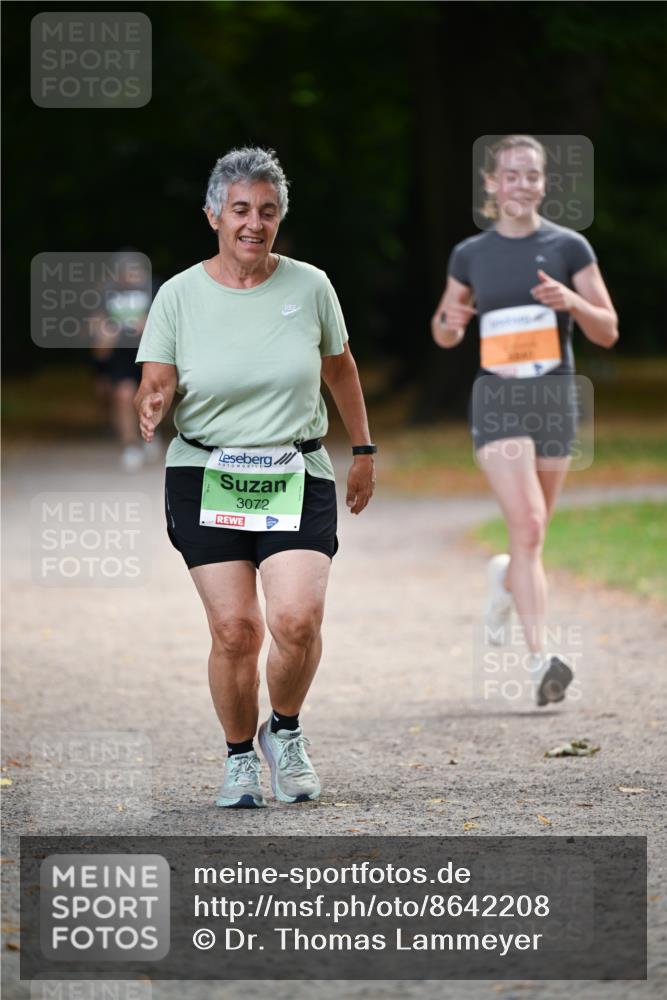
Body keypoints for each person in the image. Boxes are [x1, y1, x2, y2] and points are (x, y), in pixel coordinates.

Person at [134, 147, 376, 807]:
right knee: (236, 629)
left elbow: (341, 369)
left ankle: (286, 734)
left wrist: (363, 449)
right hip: (205, 471)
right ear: (213, 213)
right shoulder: (179, 295)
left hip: (295, 468)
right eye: (240, 209)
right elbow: (155, 378)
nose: (253, 223)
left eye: (267, 211)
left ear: (279, 219)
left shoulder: (309, 286)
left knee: (296, 618)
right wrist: (153, 400)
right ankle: (239, 757)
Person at [432, 134, 618, 707]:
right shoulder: (470, 254)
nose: (522, 184)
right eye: (510, 175)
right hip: (499, 399)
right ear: (491, 184)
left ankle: (504, 579)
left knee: (532, 536)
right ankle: (541, 660)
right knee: (531, 522)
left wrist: (572, 302)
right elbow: (444, 332)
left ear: (543, 183)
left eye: (532, 175)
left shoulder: (569, 248)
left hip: (555, 397)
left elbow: (607, 330)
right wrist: (452, 318)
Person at [90, 250, 157, 471]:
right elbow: (96, 335)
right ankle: (131, 446)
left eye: (135, 271)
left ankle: (148, 432)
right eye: (126, 271)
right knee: (124, 394)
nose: (131, 276)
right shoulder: (106, 293)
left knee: (151, 396)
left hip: (151, 353)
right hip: (121, 353)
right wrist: (103, 338)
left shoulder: (156, 288)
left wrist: (150, 325)